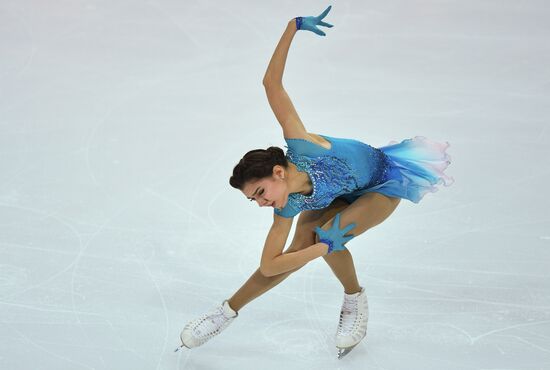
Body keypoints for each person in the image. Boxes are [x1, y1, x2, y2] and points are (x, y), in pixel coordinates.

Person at [176, 5, 454, 358]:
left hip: (383, 182)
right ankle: (226, 311)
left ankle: (354, 297)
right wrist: (315, 250)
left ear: (278, 172)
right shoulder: (288, 203)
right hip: (334, 196)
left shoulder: (303, 145)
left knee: (327, 235)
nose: (261, 203)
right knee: (305, 247)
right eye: (254, 200)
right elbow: (270, 265)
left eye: (260, 193)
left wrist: (292, 26)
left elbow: (270, 84)